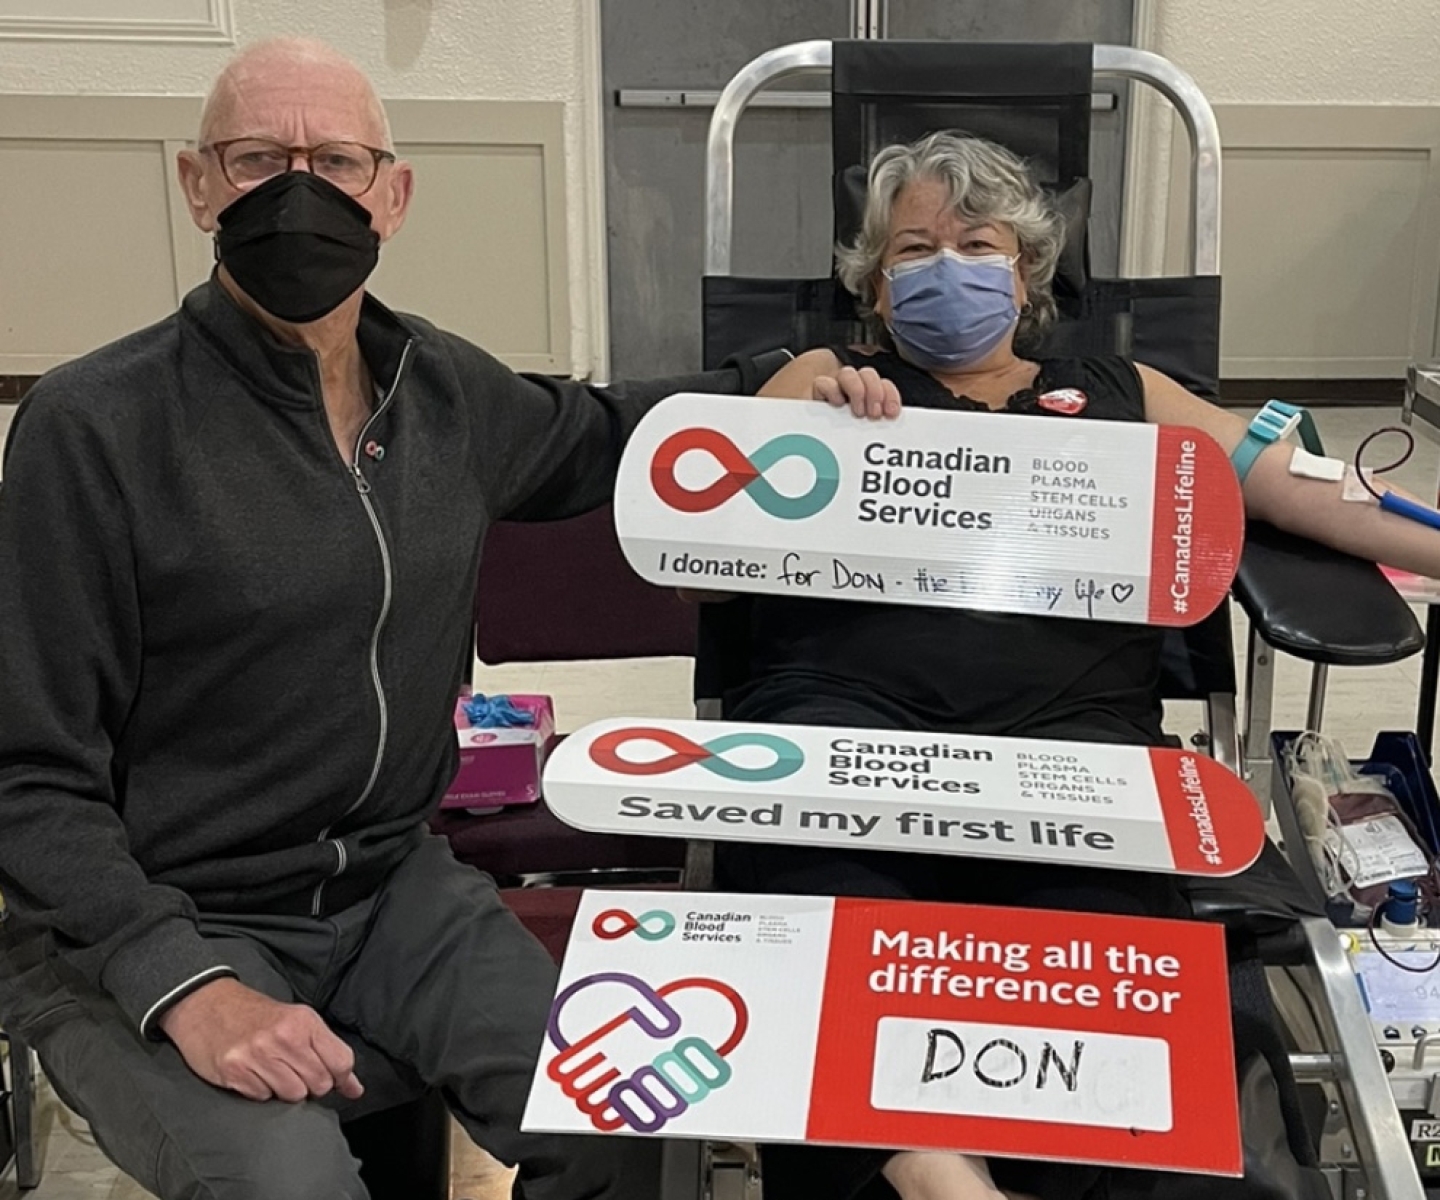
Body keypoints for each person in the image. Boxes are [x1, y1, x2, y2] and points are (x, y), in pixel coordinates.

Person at [0, 38, 896, 1200]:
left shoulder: (442, 392)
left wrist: (775, 392)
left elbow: (609, 434)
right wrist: (184, 982)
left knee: (636, 1111)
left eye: (337, 159)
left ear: (396, 193)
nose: (299, 192)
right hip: (161, 914)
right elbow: (27, 779)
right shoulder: (92, 428)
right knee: (291, 1182)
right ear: (197, 183)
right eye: (259, 158)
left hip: (388, 890)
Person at [711, 131, 1440, 1200]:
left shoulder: (1122, 392)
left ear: (1027, 271)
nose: (946, 265)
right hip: (841, 737)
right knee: (825, 923)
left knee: (1102, 984)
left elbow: (1300, 485)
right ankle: (932, 1174)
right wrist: (806, 424)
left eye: (977, 242)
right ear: (872, 284)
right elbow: (712, 526)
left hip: (1074, 750)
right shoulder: (827, 378)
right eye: (913, 248)